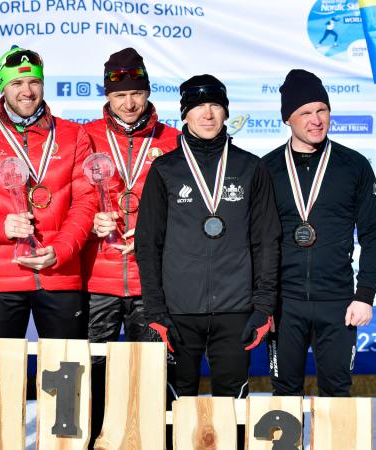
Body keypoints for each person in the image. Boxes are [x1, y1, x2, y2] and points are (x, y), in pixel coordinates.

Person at [135, 74, 281, 398]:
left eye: (215, 105)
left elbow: (267, 242)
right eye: (198, 106)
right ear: (184, 114)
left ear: (226, 112)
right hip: (178, 312)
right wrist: (156, 310)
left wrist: (262, 306)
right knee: (175, 403)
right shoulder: (165, 170)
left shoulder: (250, 168)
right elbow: (147, 244)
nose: (208, 114)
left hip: (235, 310)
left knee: (232, 405)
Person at [0, 46, 97, 339]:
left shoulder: (72, 136)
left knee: (64, 380)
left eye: (34, 82)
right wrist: (1, 225)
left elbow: (85, 203)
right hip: (3, 279)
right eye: (16, 83)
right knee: (4, 378)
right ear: (3, 87)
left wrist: (62, 250)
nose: (26, 91)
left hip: (60, 274)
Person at [263, 69, 376, 396]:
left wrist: (365, 295)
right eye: (305, 113)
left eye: (322, 110)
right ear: (288, 118)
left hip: (338, 302)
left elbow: (373, 234)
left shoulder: (354, 166)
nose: (316, 120)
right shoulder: (267, 169)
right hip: (284, 303)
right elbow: (254, 241)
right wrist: (262, 303)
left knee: (337, 391)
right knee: (285, 391)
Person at [81, 47, 180, 445]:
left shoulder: (173, 140)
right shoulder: (83, 136)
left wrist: (149, 234)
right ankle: (98, 439)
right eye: (120, 94)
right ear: (107, 95)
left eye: (136, 92)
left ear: (148, 91)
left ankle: (151, 439)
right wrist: (89, 222)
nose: (129, 102)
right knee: (96, 373)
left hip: (151, 280)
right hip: (98, 277)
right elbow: (67, 200)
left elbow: (187, 205)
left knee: (152, 373)